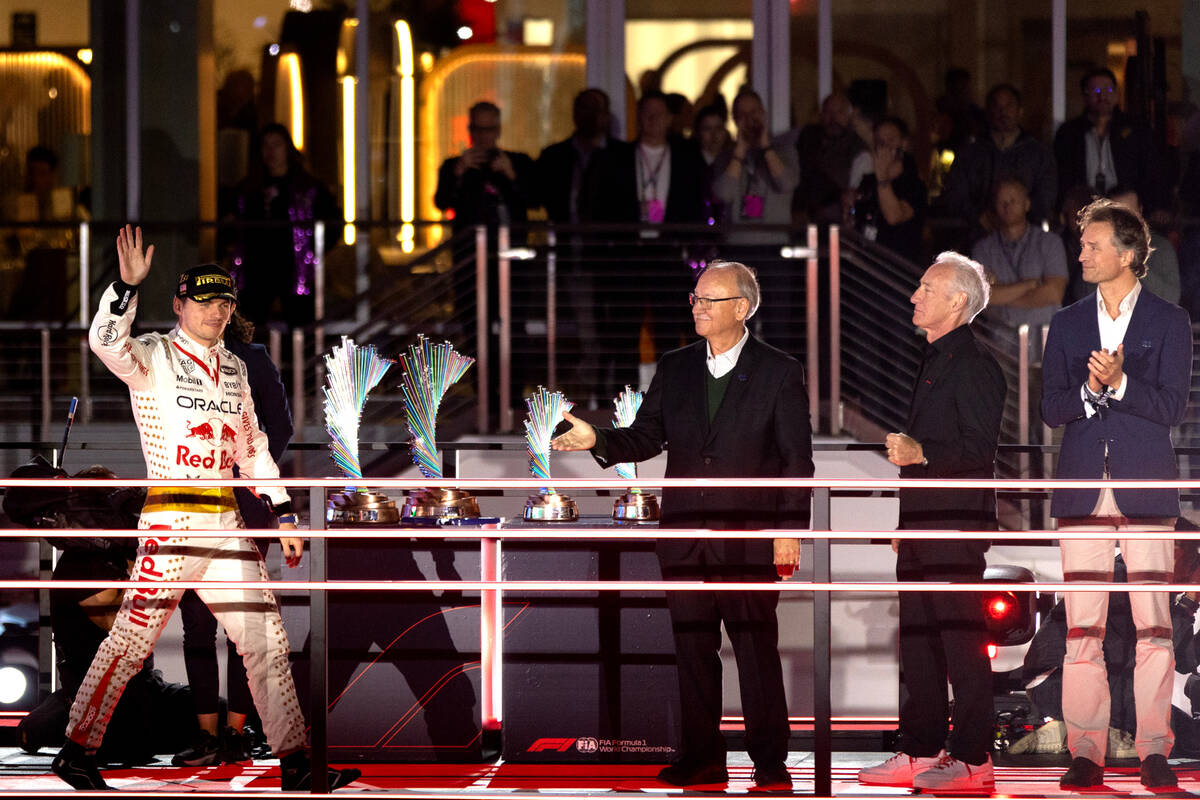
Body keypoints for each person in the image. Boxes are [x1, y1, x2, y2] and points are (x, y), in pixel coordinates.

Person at [51, 226, 359, 792]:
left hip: (225, 522)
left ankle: (294, 761)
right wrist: (124, 285)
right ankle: (75, 749)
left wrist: (284, 510)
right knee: (131, 641)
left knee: (266, 637)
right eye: (205, 300)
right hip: (169, 522)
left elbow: (252, 446)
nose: (216, 310)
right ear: (180, 304)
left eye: (225, 302)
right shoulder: (152, 353)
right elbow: (104, 341)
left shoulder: (237, 367)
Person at [551, 260, 813, 791]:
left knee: (756, 652)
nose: (696, 307)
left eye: (708, 300)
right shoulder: (674, 366)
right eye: (694, 298)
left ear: (741, 308)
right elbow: (646, 437)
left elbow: (796, 460)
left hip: (749, 537)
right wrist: (598, 440)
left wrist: (789, 529)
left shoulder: (779, 370)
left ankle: (769, 763)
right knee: (693, 652)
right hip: (685, 535)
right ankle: (702, 757)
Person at [1041, 198, 1192, 790]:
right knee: (1083, 628)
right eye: (1083, 245)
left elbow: (1171, 408)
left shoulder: (1169, 321)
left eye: (1093, 245)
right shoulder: (1067, 322)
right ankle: (1087, 750)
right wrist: (1088, 389)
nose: (1081, 253)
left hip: (1147, 486)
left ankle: (1155, 748)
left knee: (1156, 626)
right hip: (1082, 488)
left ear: (1127, 254)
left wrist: (1121, 382)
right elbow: (1053, 408)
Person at [858, 252, 1004, 793]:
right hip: (922, 524)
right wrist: (905, 521)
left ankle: (973, 759)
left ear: (957, 300)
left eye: (926, 288)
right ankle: (920, 749)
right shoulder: (936, 358)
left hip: (955, 525)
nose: (913, 296)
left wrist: (921, 453)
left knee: (962, 644)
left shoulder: (976, 363)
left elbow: (978, 450)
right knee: (918, 641)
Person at [172, 308, 293, 767]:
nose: (211, 313)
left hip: (243, 500)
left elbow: (278, 429)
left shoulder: (248, 358)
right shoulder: (172, 356)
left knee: (245, 622)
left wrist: (246, 475)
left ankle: (236, 734)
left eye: (218, 304)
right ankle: (210, 737)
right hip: (189, 502)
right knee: (199, 624)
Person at [1014, 539, 1200, 758]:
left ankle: (1096, 734)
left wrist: (1190, 603)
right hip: (1058, 681)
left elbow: (1183, 660)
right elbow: (1148, 648)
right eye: (1192, 559)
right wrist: (1188, 602)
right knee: (1182, 737)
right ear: (1170, 552)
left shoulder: (1156, 582)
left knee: (1184, 735)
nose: (1193, 569)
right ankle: (1077, 735)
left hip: (1101, 679)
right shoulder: (1123, 580)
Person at [229, 123, 337, 329]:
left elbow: (331, 221)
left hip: (294, 267)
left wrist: (312, 250)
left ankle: (299, 359)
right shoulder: (248, 188)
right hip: (256, 267)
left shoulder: (307, 187)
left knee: (300, 323)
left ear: (287, 148)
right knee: (251, 324)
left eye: (276, 145)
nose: (271, 152)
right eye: (266, 146)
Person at [941, 83, 1057, 244]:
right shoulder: (970, 153)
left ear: (1020, 111)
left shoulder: (1038, 153)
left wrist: (1019, 218)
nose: (1002, 112)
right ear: (988, 112)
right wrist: (977, 216)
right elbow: (954, 194)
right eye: (996, 106)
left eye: (1009, 105)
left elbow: (1047, 196)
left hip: (1027, 240)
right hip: (978, 237)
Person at [1054, 68, 1163, 217]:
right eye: (1096, 90)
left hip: (1125, 204)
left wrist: (1153, 206)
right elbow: (1062, 175)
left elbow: (1151, 170)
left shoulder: (1136, 129)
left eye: (1109, 89)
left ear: (1117, 94)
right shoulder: (1070, 132)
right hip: (1084, 207)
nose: (1102, 96)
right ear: (1085, 95)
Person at [970, 177, 1068, 331]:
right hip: (999, 341)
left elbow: (1054, 294)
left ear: (1027, 204)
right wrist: (1028, 285)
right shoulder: (983, 249)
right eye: (1002, 202)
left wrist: (999, 295)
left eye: (1013, 200)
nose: (1007, 206)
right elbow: (981, 296)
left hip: (1043, 338)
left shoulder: (1050, 242)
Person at [847, 116, 928, 263]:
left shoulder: (914, 185)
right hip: (866, 266)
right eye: (879, 141)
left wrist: (882, 177)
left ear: (903, 144)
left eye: (890, 140)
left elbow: (894, 216)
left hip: (897, 270)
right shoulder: (868, 182)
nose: (884, 146)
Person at [794, 92, 869, 225]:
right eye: (828, 112)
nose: (833, 118)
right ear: (821, 115)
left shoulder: (857, 146)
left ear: (849, 115)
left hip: (839, 219)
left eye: (839, 112)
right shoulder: (809, 138)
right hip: (805, 217)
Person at [1107, 185, 1181, 304]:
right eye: (1119, 215)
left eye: (1131, 213)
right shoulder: (1101, 246)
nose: (1126, 221)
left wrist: (1135, 261)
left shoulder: (1161, 247)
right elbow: (1082, 294)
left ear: (1140, 212)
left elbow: (1171, 298)